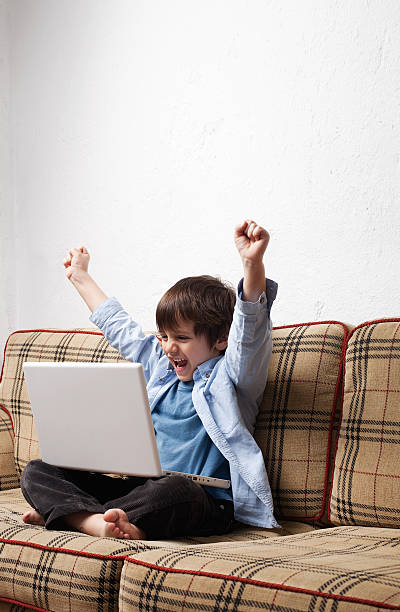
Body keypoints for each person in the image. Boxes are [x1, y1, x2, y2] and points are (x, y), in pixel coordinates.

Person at [20, 219, 280, 540]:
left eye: (182, 338)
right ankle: (101, 521)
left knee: (175, 491)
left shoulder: (233, 377)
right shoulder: (161, 366)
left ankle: (72, 514)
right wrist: (80, 276)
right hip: (141, 488)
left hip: (203, 501)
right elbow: (120, 329)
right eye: (163, 336)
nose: (169, 347)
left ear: (222, 339)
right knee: (39, 470)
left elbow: (251, 336)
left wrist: (252, 265)